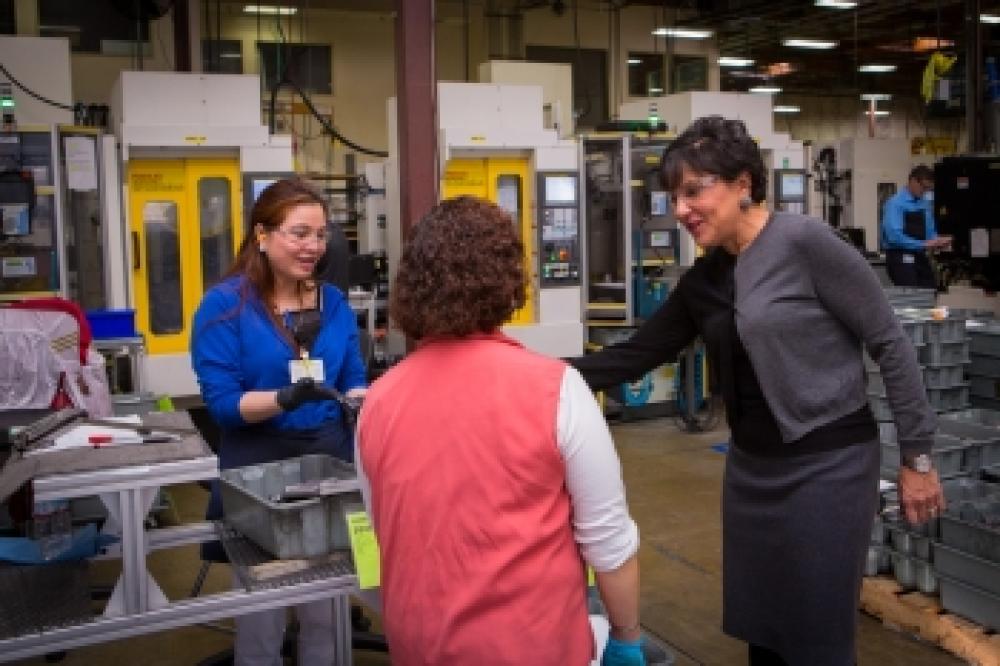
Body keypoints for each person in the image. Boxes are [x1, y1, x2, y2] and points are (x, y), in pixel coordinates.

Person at [570, 116, 946, 666]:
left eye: (694, 190)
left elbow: (888, 341)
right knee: (763, 633)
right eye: (675, 196)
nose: (680, 209)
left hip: (829, 466)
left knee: (816, 638)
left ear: (743, 183)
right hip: (751, 473)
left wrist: (917, 455)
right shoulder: (703, 282)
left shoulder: (806, 244)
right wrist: (524, 374)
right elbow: (632, 357)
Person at [356, 196, 645, 666]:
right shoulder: (558, 389)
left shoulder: (378, 402)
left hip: (420, 648)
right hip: (533, 648)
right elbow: (609, 543)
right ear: (509, 279)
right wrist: (626, 636)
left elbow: (389, 531)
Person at [191, 177, 367, 666]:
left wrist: (359, 398)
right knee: (262, 612)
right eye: (299, 233)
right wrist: (286, 398)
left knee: (326, 606)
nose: (313, 246)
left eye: (321, 234)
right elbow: (224, 405)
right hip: (258, 467)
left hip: (330, 460)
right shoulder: (226, 307)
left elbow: (352, 372)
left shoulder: (331, 302)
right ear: (262, 236)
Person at [881, 164, 952, 288]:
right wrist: (924, 244)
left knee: (930, 291)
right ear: (913, 181)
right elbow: (893, 236)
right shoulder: (895, 204)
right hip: (900, 257)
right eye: (923, 188)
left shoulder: (924, 204)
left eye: (929, 189)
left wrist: (938, 242)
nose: (925, 192)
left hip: (919, 256)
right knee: (912, 295)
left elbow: (930, 232)